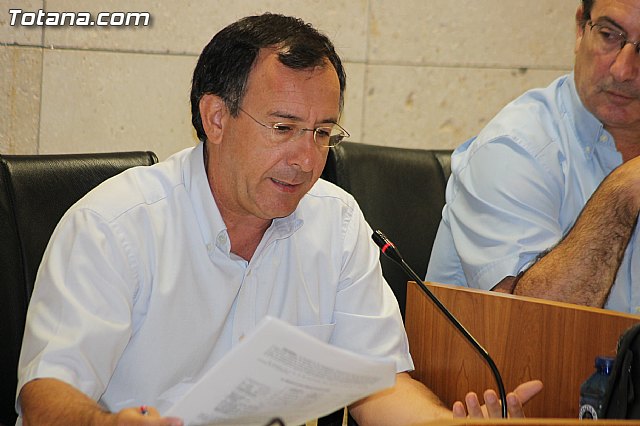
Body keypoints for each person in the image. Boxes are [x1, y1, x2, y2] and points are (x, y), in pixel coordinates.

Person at [16, 13, 541, 425]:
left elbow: (380, 385)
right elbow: (45, 398)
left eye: (322, 133)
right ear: (216, 118)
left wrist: (445, 425)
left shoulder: (336, 222)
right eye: (283, 128)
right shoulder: (114, 226)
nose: (307, 159)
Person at [426, 0, 640, 313]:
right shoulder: (513, 148)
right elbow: (531, 324)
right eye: (609, 35)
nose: (623, 70)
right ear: (581, 28)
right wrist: (622, 190)